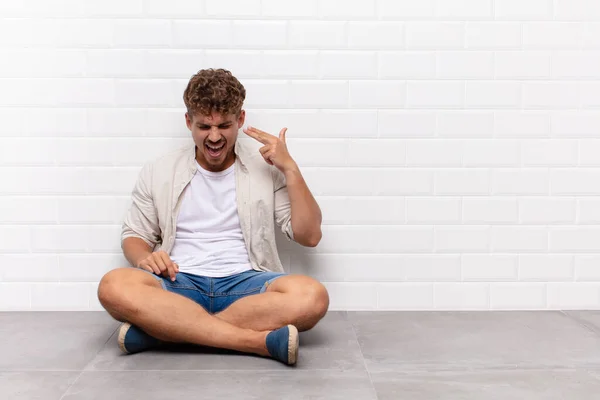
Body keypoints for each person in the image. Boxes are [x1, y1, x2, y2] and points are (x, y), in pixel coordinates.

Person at [97, 68, 329, 366]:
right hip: (178, 281)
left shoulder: (267, 169)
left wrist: (290, 169)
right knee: (112, 285)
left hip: (247, 284)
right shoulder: (160, 169)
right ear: (188, 122)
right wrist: (144, 258)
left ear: (240, 120)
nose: (215, 136)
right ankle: (254, 342)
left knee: (313, 296)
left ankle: (166, 332)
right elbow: (134, 235)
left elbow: (309, 236)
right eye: (204, 126)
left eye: (225, 125)